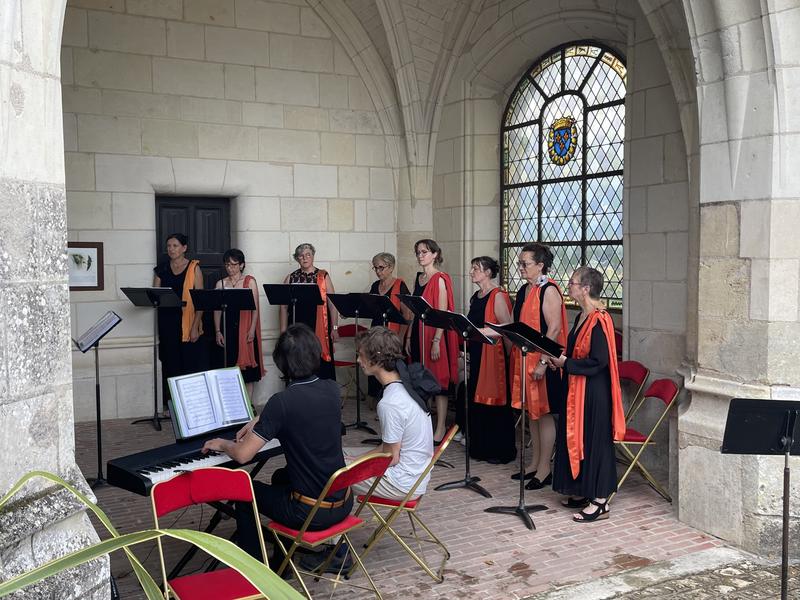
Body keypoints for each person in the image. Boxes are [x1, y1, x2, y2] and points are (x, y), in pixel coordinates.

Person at [202, 324, 351, 561]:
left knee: (245, 491)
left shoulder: (281, 402)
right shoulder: (332, 389)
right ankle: (284, 560)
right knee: (280, 478)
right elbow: (302, 409)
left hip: (309, 512)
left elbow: (242, 455)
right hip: (343, 502)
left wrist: (222, 444)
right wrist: (261, 419)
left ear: (282, 363)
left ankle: (255, 571)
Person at [546, 267, 625, 522]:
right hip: (578, 388)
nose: (569, 286)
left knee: (596, 441)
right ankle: (582, 490)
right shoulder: (581, 316)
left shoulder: (600, 318)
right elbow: (576, 354)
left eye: (573, 283)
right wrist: (559, 360)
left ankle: (601, 501)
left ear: (586, 288)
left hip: (594, 392)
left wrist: (565, 364)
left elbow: (599, 361)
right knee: (579, 438)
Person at [346, 327, 435, 500]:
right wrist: (355, 459)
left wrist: (352, 465)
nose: (358, 360)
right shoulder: (404, 386)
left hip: (401, 483)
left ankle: (322, 521)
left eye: (361, 355)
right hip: (417, 476)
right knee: (341, 455)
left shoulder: (390, 403)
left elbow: (391, 457)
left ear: (376, 358)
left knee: (328, 473)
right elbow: (391, 448)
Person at [510, 243, 567, 490]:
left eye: (525, 263)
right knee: (530, 414)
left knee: (543, 415)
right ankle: (533, 463)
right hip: (526, 359)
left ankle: (545, 469)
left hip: (545, 362)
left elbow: (553, 330)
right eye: (519, 263)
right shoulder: (525, 290)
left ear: (541, 265)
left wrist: (543, 362)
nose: (520, 267)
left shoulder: (549, 290)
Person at [404, 239, 458, 445]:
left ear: (435, 254)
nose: (420, 256)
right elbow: (415, 312)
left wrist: (437, 340)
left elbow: (443, 314)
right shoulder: (419, 278)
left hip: (435, 335)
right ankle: (423, 424)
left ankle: (441, 426)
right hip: (418, 332)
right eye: (418, 252)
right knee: (419, 379)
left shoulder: (440, 279)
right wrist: (408, 336)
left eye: (425, 252)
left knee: (438, 382)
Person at [466, 257, 516, 464]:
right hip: (478, 352)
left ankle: (499, 449)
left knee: (494, 404)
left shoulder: (498, 295)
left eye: (476, 269)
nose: (471, 272)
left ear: (487, 273)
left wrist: (475, 331)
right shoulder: (476, 296)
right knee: (477, 401)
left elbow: (507, 328)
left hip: (494, 357)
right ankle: (480, 447)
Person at [153, 233, 207, 410]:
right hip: (167, 322)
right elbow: (156, 294)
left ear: (184, 248)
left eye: (175, 246)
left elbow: (200, 301)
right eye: (169, 246)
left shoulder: (194, 268)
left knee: (189, 364)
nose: (171, 249)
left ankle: (191, 406)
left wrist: (194, 327)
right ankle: (173, 406)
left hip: (188, 322)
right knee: (170, 363)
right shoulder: (161, 269)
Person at [280, 243, 339, 380]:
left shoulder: (323, 276)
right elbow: (283, 307)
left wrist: (335, 328)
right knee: (298, 358)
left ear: (313, 256)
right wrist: (283, 331)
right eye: (301, 256)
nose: (305, 258)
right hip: (297, 324)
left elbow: (332, 304)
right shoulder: (290, 277)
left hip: (319, 325)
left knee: (319, 360)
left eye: (308, 255)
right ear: (297, 259)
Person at [213, 248, 265, 400]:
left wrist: (251, 330)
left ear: (242, 265)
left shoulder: (250, 282)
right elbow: (217, 310)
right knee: (228, 367)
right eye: (227, 265)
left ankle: (248, 405)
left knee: (247, 372)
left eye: (234, 264)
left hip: (246, 329)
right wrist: (217, 330)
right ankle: (232, 403)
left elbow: (255, 309)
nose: (230, 268)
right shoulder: (220, 283)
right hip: (227, 329)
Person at [366, 252, 410, 404]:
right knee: (375, 363)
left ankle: (390, 401)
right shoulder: (374, 286)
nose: (378, 271)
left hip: (393, 334)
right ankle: (377, 398)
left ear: (391, 268)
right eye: (376, 268)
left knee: (389, 368)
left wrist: (402, 338)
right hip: (376, 331)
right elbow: (368, 308)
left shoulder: (400, 285)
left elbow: (407, 316)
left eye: (381, 267)